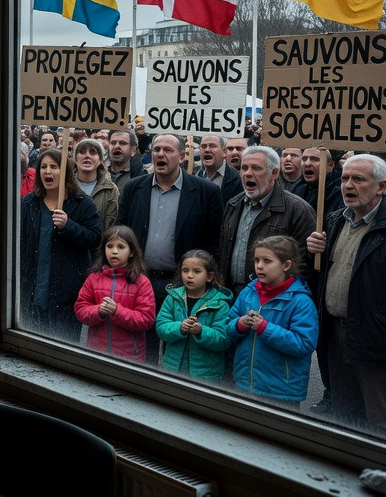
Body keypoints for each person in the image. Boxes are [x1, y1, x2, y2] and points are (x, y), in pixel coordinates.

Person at [306, 154, 386, 437]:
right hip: (337, 336)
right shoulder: (335, 220)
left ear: (381, 186)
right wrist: (314, 251)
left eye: (358, 179)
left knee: (383, 425)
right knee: (345, 420)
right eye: (344, 178)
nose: (347, 185)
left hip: (378, 340)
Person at [117, 133, 225, 362]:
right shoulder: (133, 188)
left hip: (183, 287)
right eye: (156, 150)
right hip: (140, 281)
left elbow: (215, 243)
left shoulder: (207, 192)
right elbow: (121, 232)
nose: (160, 155)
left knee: (177, 350)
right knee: (142, 348)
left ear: (183, 156)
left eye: (168, 150)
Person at [20, 148, 101, 341]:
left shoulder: (82, 203)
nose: (48, 171)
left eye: (54, 167)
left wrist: (68, 225)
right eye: (44, 167)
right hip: (33, 289)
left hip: (66, 293)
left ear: (64, 171)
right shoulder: (29, 203)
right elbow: (21, 241)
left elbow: (94, 238)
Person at [226, 235, 319, 404]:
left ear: (286, 265)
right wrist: (240, 324)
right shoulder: (249, 291)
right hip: (246, 383)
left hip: (280, 390)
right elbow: (228, 326)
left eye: (267, 261)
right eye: (256, 260)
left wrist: (264, 328)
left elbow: (304, 343)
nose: (259, 266)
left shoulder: (301, 301)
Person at [218, 146, 315, 293]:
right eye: (244, 168)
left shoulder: (297, 210)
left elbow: (303, 265)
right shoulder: (233, 204)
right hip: (233, 298)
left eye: (256, 168)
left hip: (273, 300)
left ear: (274, 173)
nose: (248, 174)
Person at [75, 226, 157, 362]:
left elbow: (146, 319)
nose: (114, 251)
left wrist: (117, 311)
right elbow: (80, 309)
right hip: (96, 352)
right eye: (110, 246)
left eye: (121, 247)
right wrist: (98, 311)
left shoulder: (142, 282)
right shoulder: (94, 278)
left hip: (129, 356)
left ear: (131, 252)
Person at [156, 249, 234, 380]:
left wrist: (201, 331)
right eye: (185, 270)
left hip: (206, 375)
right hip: (173, 369)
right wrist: (179, 327)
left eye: (197, 271)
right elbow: (161, 326)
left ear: (209, 276)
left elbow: (223, 339)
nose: (190, 275)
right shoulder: (172, 298)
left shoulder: (220, 304)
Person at [73, 138, 119, 232]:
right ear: (75, 158)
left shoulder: (110, 190)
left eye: (93, 152)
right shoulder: (64, 186)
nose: (87, 156)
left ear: (100, 160)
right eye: (82, 152)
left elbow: (110, 227)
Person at [288, 147, 342, 220]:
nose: (307, 163)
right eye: (304, 159)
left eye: (315, 159)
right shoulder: (296, 190)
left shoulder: (340, 195)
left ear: (330, 165)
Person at [195, 134, 243, 202]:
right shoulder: (195, 175)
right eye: (203, 146)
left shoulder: (236, 179)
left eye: (212, 146)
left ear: (224, 152)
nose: (207, 150)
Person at [106, 128, 145, 195]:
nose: (116, 146)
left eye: (122, 143)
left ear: (133, 150)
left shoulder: (141, 175)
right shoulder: (99, 172)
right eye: (113, 143)